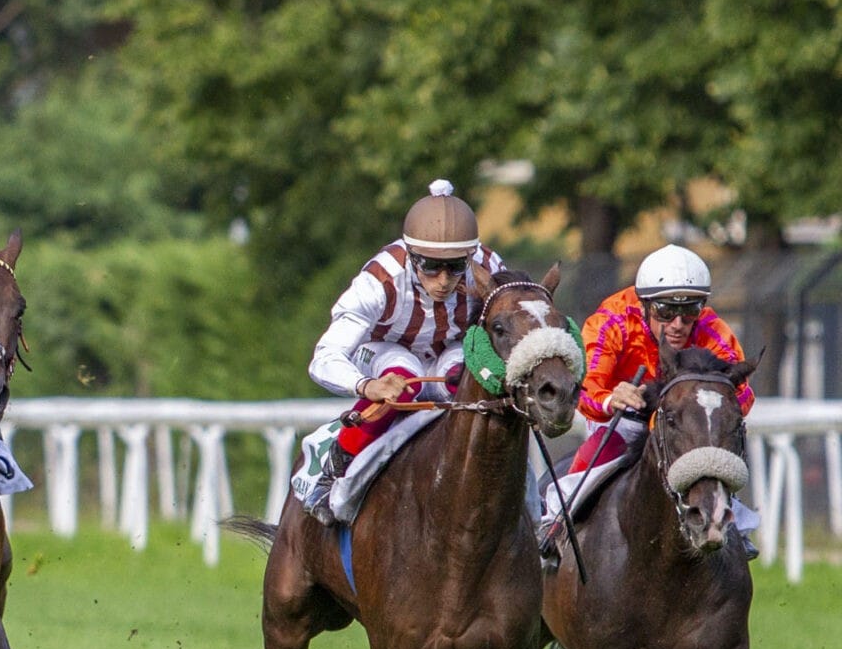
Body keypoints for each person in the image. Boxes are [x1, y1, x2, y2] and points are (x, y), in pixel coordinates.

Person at [538, 243, 756, 557]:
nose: (679, 323)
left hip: (682, 422)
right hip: (622, 417)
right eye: (666, 311)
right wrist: (611, 397)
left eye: (690, 310)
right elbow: (584, 385)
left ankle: (736, 528)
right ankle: (556, 521)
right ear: (644, 304)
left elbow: (743, 394)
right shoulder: (611, 321)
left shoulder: (713, 330)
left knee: (712, 449)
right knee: (604, 450)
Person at [304, 180, 505, 513]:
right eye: (430, 266)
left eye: (455, 266)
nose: (443, 280)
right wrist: (367, 385)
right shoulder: (379, 280)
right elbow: (323, 358)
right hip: (384, 350)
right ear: (412, 256)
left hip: (450, 349)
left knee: (465, 380)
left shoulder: (489, 267)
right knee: (404, 379)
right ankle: (334, 469)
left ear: (470, 257)